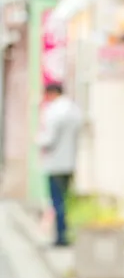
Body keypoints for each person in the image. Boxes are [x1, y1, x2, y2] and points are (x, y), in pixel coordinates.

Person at [37, 83, 82, 246]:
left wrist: (37, 140)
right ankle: (66, 234)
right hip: (70, 163)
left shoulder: (53, 111)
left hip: (55, 163)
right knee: (66, 200)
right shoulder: (74, 110)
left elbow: (48, 139)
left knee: (57, 201)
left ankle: (60, 236)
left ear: (51, 93)